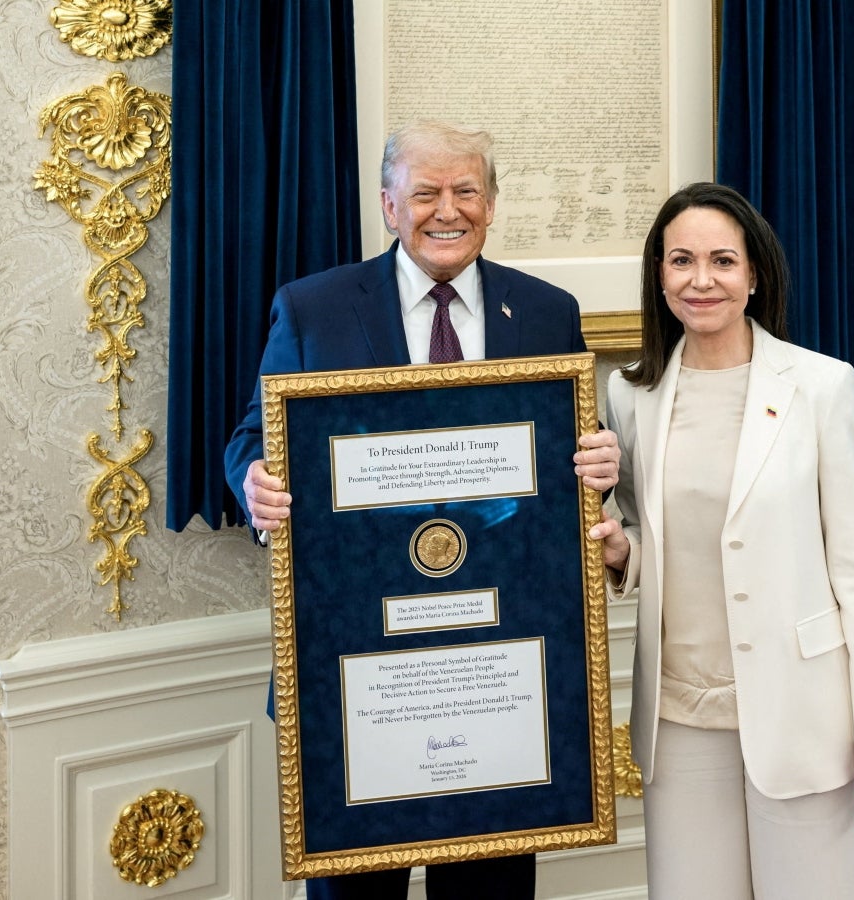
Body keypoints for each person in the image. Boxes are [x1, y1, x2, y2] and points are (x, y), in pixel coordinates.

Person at [224, 121, 620, 900]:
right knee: (354, 888)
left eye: (467, 191)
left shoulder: (545, 311)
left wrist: (599, 468)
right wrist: (255, 482)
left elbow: (563, 467)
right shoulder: (314, 307)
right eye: (427, 193)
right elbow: (252, 438)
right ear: (388, 205)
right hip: (356, 654)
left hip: (500, 656)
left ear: (492, 203)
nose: (449, 210)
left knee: (490, 884)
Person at [599, 182, 854, 899]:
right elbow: (649, 533)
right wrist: (621, 552)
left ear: (754, 274)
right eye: (681, 261)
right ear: (660, 276)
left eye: (722, 261)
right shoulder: (629, 394)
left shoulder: (821, 387)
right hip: (679, 717)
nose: (701, 280)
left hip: (803, 712)